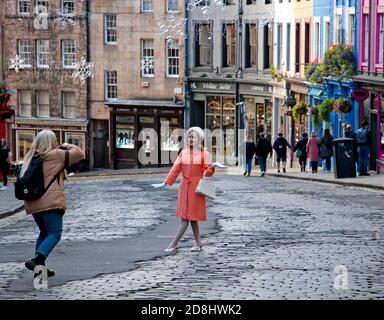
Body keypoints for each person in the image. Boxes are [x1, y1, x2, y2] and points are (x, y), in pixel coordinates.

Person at [20, 130, 84, 276]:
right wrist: (66, 145)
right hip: (50, 203)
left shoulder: (32, 156)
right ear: (52, 141)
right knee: (54, 233)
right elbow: (79, 154)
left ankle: (40, 269)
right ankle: (37, 259)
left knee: (44, 232)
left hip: (33, 202)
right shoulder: (56, 155)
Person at [153, 127, 217, 253]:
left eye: (193, 137)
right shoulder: (184, 153)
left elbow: (207, 172)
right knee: (191, 217)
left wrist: (212, 168)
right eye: (189, 136)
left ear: (200, 139)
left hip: (196, 189)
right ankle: (198, 243)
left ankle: (173, 243)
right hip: (184, 188)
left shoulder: (205, 154)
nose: (190, 139)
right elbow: (176, 168)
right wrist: (166, 182)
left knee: (186, 218)